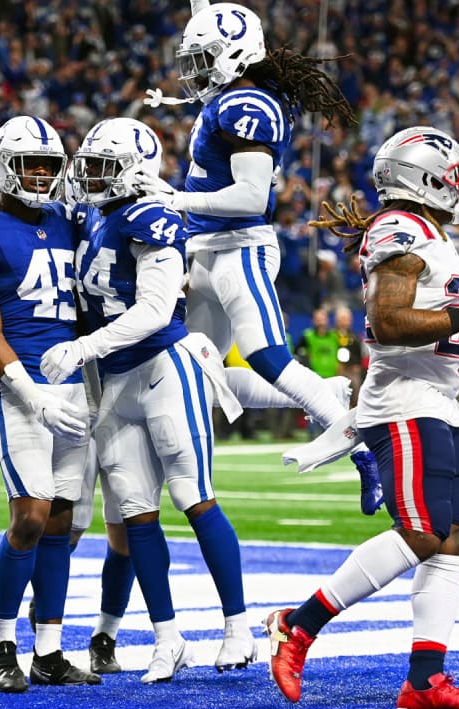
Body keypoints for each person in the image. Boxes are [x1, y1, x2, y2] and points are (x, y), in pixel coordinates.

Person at [266, 126, 459, 709]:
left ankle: (425, 681)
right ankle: (296, 626)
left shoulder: (429, 234)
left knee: (452, 540)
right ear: (423, 177)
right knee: (424, 531)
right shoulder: (399, 231)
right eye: (454, 175)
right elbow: (388, 324)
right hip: (401, 403)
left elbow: (432, 315)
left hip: (434, 397)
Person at [138, 1, 379, 501]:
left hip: (239, 248)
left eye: (207, 58)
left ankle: (359, 444)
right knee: (196, 376)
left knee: (263, 353)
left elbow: (250, 198)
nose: (197, 71)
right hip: (205, 249)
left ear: (236, 55)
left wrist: (176, 197)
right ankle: (325, 394)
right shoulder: (234, 95)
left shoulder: (248, 106)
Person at [43, 117, 255, 682]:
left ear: (135, 172)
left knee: (194, 496)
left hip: (164, 368)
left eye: (102, 167)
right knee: (136, 515)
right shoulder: (91, 215)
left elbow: (155, 310)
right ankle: (168, 638)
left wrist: (84, 346)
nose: (89, 176)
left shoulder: (151, 216)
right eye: (87, 165)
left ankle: (238, 626)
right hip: (114, 383)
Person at [0, 115, 99, 692]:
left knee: (63, 521)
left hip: (73, 382)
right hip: (14, 384)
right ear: (3, 164)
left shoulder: (68, 219)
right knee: (29, 516)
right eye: (29, 162)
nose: (39, 174)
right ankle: (2, 643)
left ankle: (50, 651)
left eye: (49, 165)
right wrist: (29, 392)